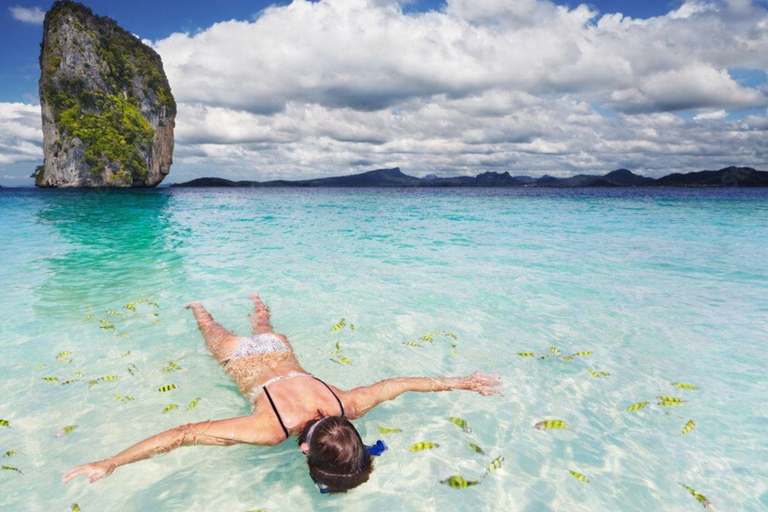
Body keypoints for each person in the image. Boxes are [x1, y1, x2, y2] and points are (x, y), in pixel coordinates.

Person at [62, 294, 502, 493]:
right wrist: (111, 463)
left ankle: (241, 304)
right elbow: (183, 433)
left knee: (257, 329)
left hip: (276, 350)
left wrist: (459, 380)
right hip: (242, 359)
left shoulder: (349, 403)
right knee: (211, 328)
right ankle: (202, 307)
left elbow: (396, 384)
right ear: (305, 447)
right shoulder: (269, 429)